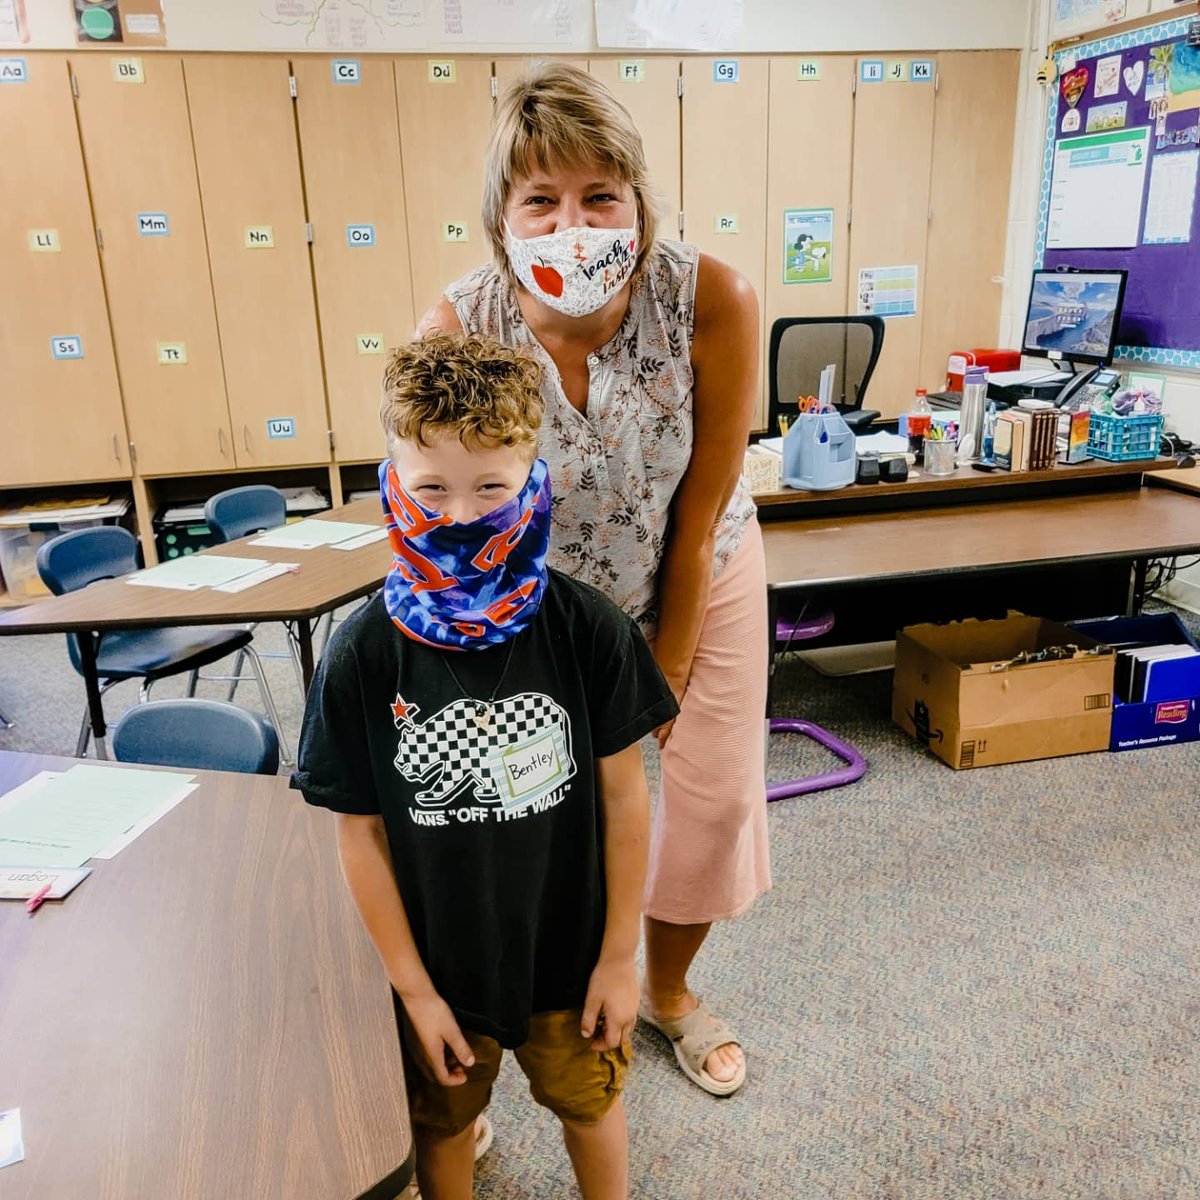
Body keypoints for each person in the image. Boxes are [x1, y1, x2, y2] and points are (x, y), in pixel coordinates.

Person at [416, 61, 769, 1096]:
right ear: (503, 219)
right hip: (544, 593)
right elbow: (449, 512)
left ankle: (668, 994)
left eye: (599, 195)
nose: (574, 223)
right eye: (544, 200)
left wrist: (662, 670)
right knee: (530, 804)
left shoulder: (711, 299)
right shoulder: (462, 329)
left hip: (702, 555)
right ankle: (519, 1009)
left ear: (638, 202)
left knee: (709, 794)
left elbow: (701, 508)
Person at [293, 333, 678, 1200]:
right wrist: (414, 993)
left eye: (490, 488)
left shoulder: (588, 632)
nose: (460, 517)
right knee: (445, 1121)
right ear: (391, 480)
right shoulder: (361, 655)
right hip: (442, 966)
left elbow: (624, 800)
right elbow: (359, 834)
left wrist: (622, 957)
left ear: (535, 481)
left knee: (589, 1101)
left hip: (570, 956)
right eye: (430, 487)